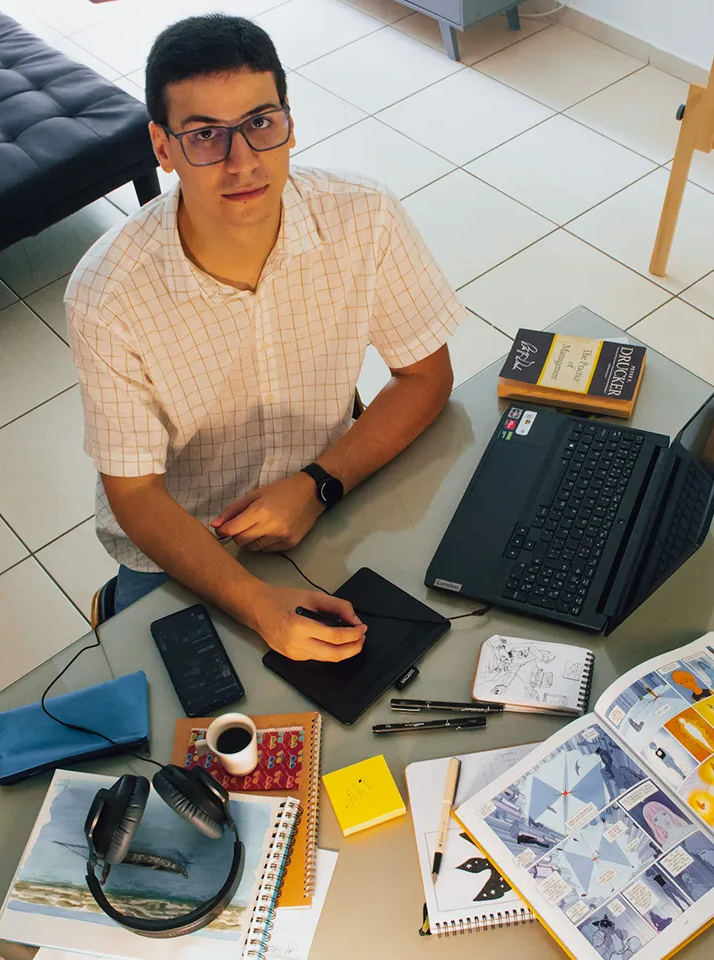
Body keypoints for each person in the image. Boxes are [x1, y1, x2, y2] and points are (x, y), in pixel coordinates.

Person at [66, 15, 464, 661]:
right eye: (204, 136)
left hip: (332, 491)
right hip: (179, 544)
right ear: (162, 148)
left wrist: (317, 485)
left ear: (289, 121)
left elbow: (427, 376)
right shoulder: (106, 294)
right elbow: (136, 492)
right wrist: (256, 604)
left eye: (260, 123)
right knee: (195, 737)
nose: (243, 161)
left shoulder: (367, 218)